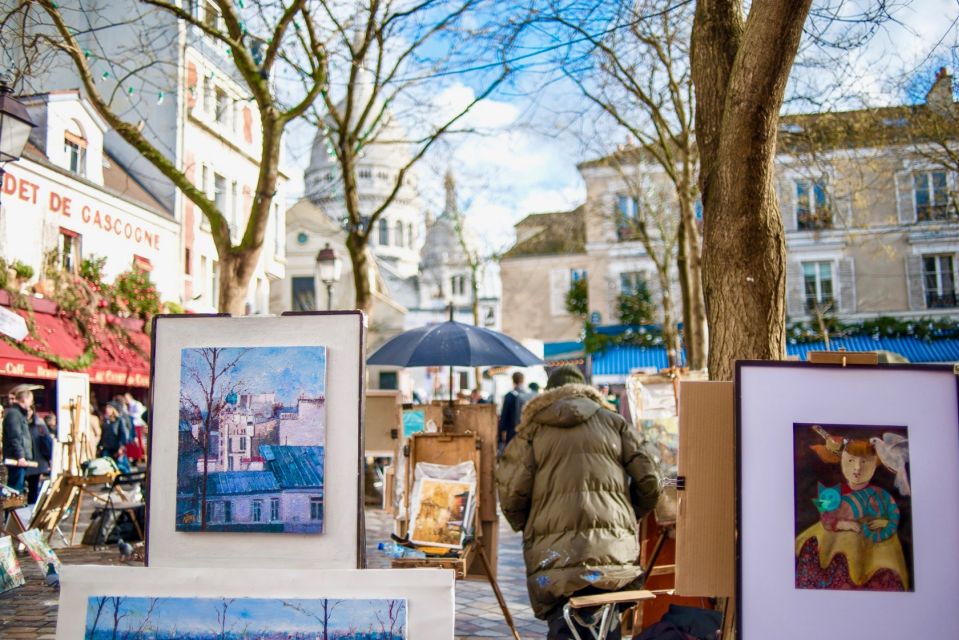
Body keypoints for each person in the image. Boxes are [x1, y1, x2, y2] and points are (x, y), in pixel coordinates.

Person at [496, 364, 661, 638]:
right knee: (607, 622)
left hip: (555, 554)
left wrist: (527, 524)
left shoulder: (532, 432)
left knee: (564, 623)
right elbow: (651, 479)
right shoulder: (614, 423)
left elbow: (511, 492)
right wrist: (631, 515)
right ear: (586, 389)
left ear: (550, 393)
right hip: (612, 550)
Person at [795, 438, 908, 590]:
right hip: (834, 547)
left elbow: (893, 514)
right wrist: (843, 524)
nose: (857, 468)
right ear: (841, 461)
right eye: (850, 461)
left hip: (872, 549)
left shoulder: (879, 495)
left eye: (865, 462)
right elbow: (824, 515)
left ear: (875, 463)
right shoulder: (834, 493)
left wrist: (885, 522)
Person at [2, 388, 35, 494]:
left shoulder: (18, 414)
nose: (31, 403)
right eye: (30, 400)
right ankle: (9, 511)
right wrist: (20, 456)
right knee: (14, 492)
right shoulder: (14, 414)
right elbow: (15, 436)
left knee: (16, 492)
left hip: (19, 460)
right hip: (16, 460)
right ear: (24, 400)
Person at [25, 412, 55, 504]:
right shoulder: (23, 422)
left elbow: (48, 441)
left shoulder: (39, 424)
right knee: (31, 488)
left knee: (33, 488)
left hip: (37, 461)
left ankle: (33, 507)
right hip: (28, 460)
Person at [498, 371, 531, 448]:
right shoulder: (528, 395)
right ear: (523, 380)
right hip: (525, 429)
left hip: (511, 430)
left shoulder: (509, 395)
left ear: (513, 380)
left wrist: (503, 430)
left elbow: (504, 415)